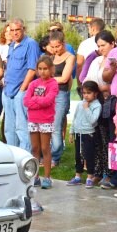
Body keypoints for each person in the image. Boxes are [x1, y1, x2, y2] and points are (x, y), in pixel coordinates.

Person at [3, 18, 41, 152]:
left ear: (23, 29)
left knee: (22, 126)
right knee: (9, 127)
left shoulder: (31, 44)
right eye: (12, 30)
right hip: (8, 91)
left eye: (17, 30)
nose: (14, 33)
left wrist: (22, 90)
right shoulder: (11, 45)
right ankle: (12, 154)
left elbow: (32, 69)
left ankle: (25, 156)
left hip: (21, 92)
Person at [23, 55, 59, 189]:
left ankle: (47, 177)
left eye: (45, 69)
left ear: (51, 69)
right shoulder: (33, 83)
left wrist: (35, 100)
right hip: (33, 119)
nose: (42, 71)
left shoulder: (53, 83)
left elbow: (48, 101)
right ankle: (36, 176)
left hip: (45, 120)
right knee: (35, 148)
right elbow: (26, 101)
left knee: (45, 148)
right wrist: (38, 101)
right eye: (40, 69)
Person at [67, 81, 102, 188]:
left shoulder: (97, 105)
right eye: (84, 93)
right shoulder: (79, 104)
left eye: (88, 93)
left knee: (89, 156)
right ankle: (78, 176)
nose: (85, 95)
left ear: (95, 93)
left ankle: (90, 177)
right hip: (78, 133)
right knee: (78, 156)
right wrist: (71, 132)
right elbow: (75, 118)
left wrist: (87, 108)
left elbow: (93, 120)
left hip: (89, 134)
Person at [49, 30, 75, 167]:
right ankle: (48, 154)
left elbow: (64, 78)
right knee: (47, 126)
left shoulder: (69, 57)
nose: (55, 50)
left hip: (61, 94)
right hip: (49, 94)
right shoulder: (51, 58)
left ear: (63, 43)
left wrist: (47, 79)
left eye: (57, 46)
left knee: (56, 126)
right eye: (52, 47)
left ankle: (55, 157)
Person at [77, 18, 105, 89]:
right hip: (104, 81)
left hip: (88, 82)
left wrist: (79, 84)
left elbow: (79, 65)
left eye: (89, 28)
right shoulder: (109, 42)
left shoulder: (85, 44)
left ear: (93, 29)